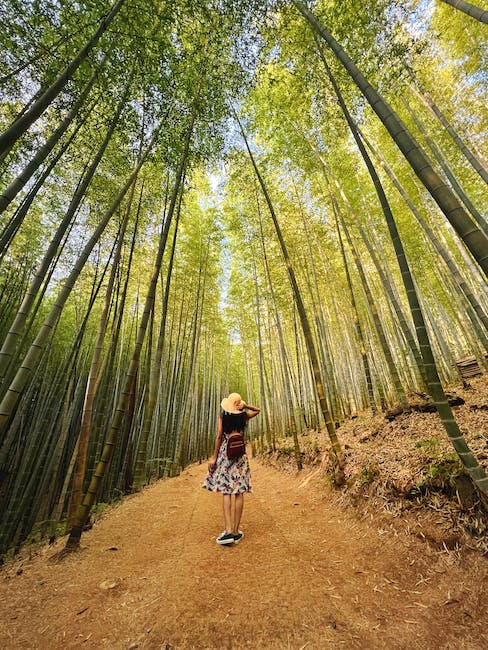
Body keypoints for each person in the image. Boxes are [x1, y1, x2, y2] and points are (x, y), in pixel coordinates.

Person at [202, 392, 260, 545]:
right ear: (239, 405)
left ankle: (228, 531)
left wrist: (214, 457)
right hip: (240, 455)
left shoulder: (224, 416)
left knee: (226, 491)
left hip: (225, 454)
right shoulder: (243, 416)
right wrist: (245, 406)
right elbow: (258, 410)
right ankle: (235, 531)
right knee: (239, 492)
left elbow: (219, 436)